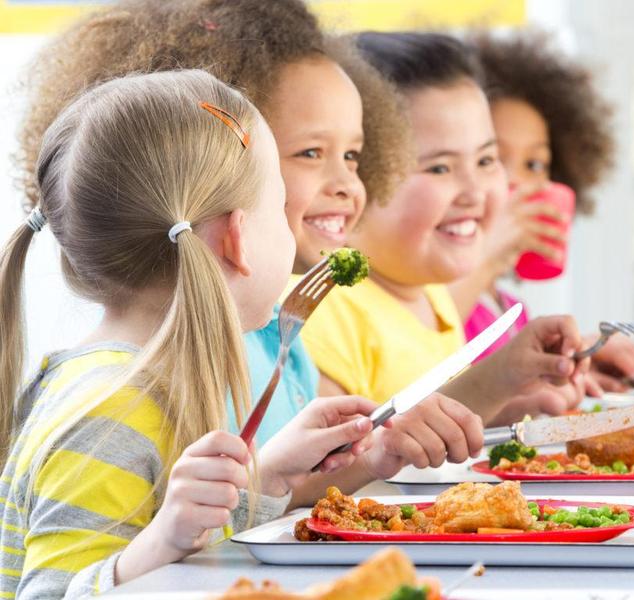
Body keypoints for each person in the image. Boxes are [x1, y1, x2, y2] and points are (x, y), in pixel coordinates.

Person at [0, 70, 388, 599]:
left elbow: (194, 548)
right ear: (237, 239)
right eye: (278, 208)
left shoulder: (125, 383)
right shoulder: (113, 413)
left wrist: (267, 476)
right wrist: (160, 541)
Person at [15, 0, 410, 444]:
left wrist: (286, 475)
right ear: (234, 231)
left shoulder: (276, 332)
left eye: (353, 155)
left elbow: (229, 502)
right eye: (309, 154)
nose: (347, 184)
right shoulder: (117, 412)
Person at [300, 32, 592, 426]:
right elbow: (322, 475)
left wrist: (515, 396)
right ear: (356, 176)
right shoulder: (323, 313)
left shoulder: (432, 297)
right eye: (439, 167)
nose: (476, 192)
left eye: (486, 160)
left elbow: (429, 424)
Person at [449, 31, 634, 391]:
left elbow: (513, 394)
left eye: (535, 164)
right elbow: (429, 359)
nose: (521, 182)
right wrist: (489, 255)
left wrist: (573, 368)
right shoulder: (440, 300)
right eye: (491, 158)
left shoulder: (511, 309)